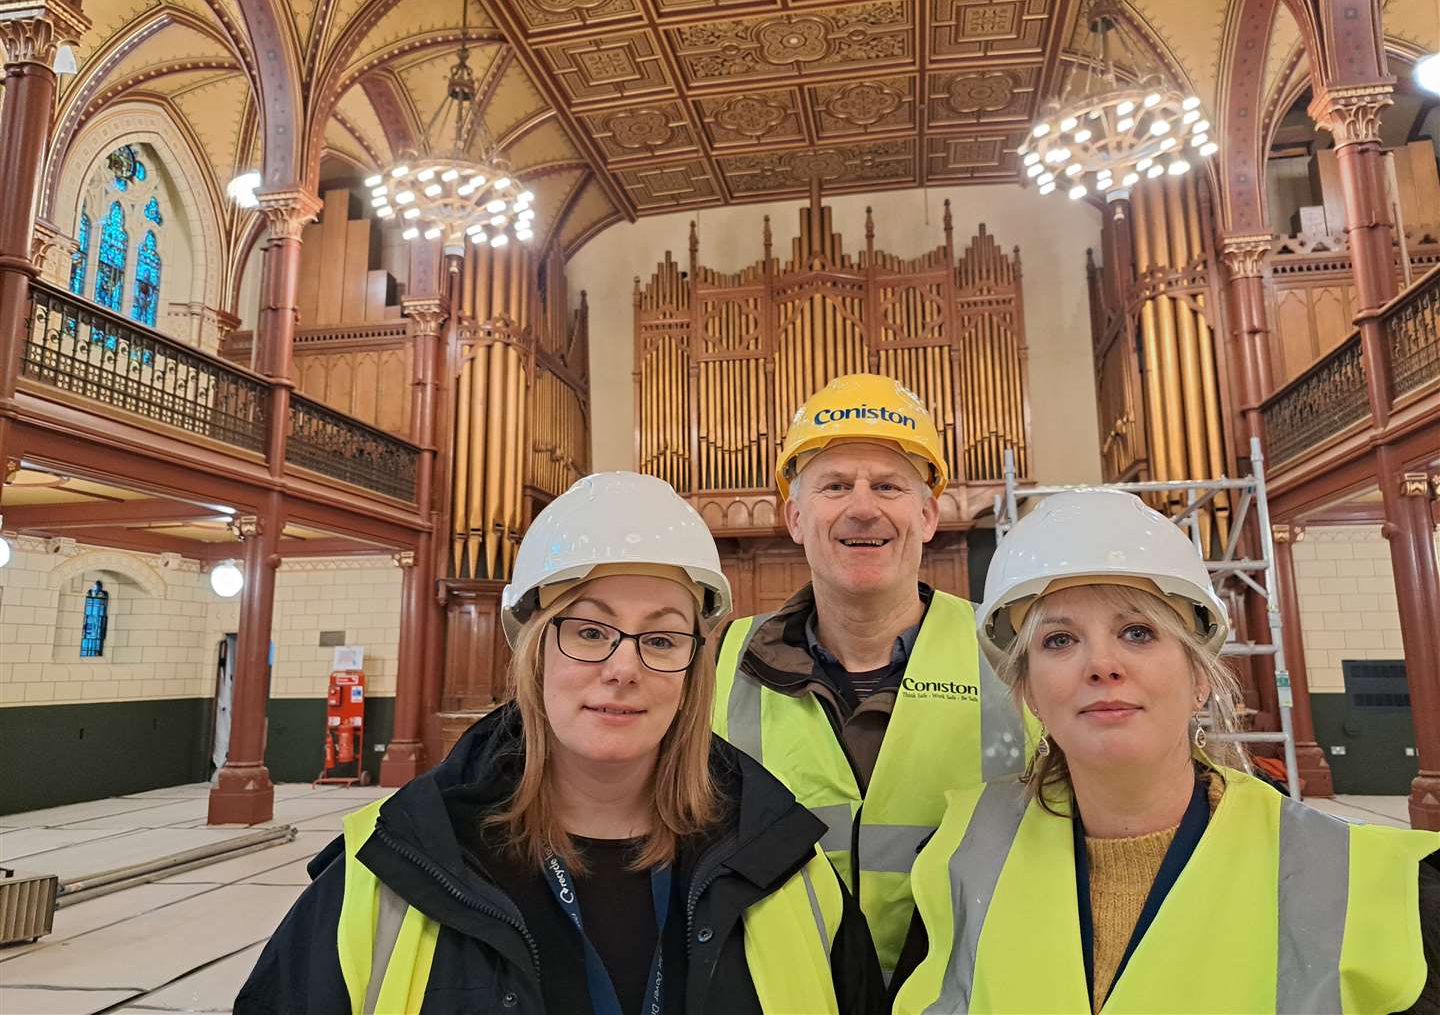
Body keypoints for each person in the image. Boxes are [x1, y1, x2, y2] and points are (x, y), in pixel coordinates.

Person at [237, 471, 882, 1015]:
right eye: (590, 630)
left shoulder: (785, 865)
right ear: (533, 648)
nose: (624, 668)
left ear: (691, 670)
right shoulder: (385, 871)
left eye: (660, 639)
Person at [892, 488, 1440, 1014]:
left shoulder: (1375, 887)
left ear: (1198, 676)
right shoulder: (954, 862)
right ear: (1030, 691)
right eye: (1059, 640)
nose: (1102, 664)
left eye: (1137, 632)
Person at [710, 373, 1027, 976]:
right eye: (835, 485)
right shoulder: (718, 663)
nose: (862, 506)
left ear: (929, 516)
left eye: (887, 485)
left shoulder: (1012, 655)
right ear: (796, 517)